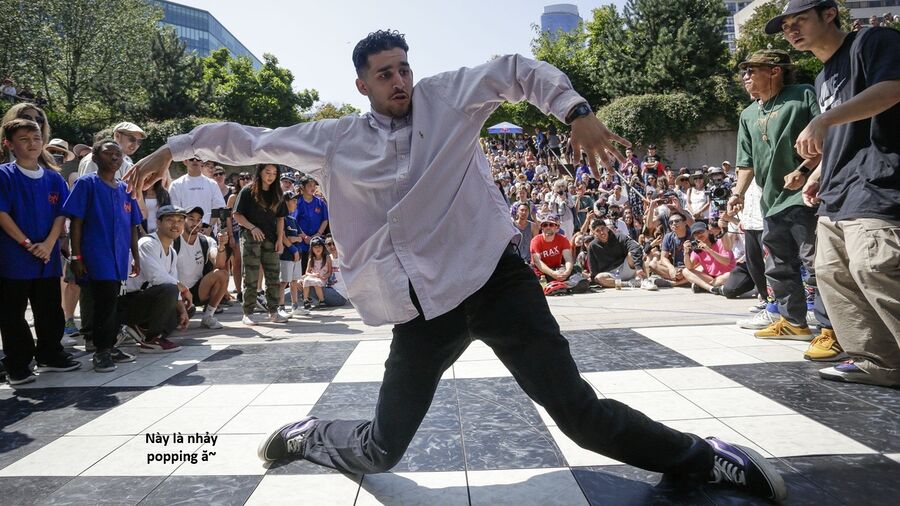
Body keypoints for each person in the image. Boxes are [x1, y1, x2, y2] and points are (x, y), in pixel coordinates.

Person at [127, 30, 786, 502]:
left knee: (578, 414)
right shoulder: (334, 140)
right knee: (382, 449)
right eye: (384, 74)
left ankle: (703, 458)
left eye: (403, 68)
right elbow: (246, 139)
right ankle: (312, 434)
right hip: (423, 309)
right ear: (361, 85)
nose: (399, 81)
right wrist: (172, 148)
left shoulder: (448, 99)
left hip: (497, 281)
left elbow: (516, 69)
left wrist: (577, 112)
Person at [772, 0, 900, 385]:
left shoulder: (872, 42)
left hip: (878, 180)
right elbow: (842, 136)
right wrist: (813, 173)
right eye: (786, 26)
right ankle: (879, 362)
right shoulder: (823, 77)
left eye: (800, 20)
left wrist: (823, 119)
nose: (792, 31)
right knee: (832, 274)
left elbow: (893, 89)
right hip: (836, 189)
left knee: (875, 267)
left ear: (829, 14)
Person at [728, 48, 822, 343]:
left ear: (775, 70)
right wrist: (737, 194)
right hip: (771, 201)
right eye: (744, 72)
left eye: (751, 70)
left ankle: (832, 329)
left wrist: (805, 171)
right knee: (778, 267)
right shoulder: (748, 114)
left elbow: (828, 138)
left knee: (816, 264)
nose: (745, 77)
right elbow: (746, 163)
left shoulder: (803, 94)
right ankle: (793, 323)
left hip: (806, 196)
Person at [0, 119, 80, 385]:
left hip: (47, 256)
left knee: (49, 309)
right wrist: (26, 243)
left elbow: (60, 214)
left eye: (36, 138)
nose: (32, 144)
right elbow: (2, 213)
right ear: (9, 144)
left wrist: (48, 244)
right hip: (14, 256)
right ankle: (17, 364)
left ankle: (50, 354)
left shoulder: (53, 178)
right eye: (23, 139)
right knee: (13, 313)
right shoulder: (4, 176)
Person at [64, 140, 142, 372]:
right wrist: (76, 256)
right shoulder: (86, 184)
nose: (115, 157)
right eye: (108, 153)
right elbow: (77, 221)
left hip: (120, 258)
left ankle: (110, 345)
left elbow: (133, 226)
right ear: (95, 158)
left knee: (115, 302)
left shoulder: (125, 189)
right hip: (96, 255)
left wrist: (136, 257)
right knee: (104, 301)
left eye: (118, 153)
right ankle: (101, 351)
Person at [119, 205, 189, 353]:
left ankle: (141, 329)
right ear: (158, 222)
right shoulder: (147, 243)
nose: (175, 225)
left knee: (185, 309)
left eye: (180, 221)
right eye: (170, 220)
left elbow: (172, 280)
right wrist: (183, 288)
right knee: (169, 289)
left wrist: (183, 310)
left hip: (145, 300)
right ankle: (151, 339)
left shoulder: (172, 252)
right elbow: (156, 277)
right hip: (127, 302)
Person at [232, 164, 288, 325]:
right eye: (267, 172)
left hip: (271, 238)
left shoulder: (277, 193)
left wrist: (280, 240)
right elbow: (237, 215)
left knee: (273, 276)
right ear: (260, 172)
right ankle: (248, 312)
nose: (271, 176)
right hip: (250, 237)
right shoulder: (248, 191)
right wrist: (252, 227)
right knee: (250, 276)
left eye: (274, 173)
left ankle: (273, 311)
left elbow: (281, 218)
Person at [174, 207, 229, 329]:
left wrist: (221, 246)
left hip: (198, 290)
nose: (195, 223)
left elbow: (219, 264)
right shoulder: (173, 240)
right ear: (183, 220)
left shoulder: (206, 241)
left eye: (199, 220)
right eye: (191, 219)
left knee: (222, 274)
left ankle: (208, 316)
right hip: (176, 290)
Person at [586, 218, 656, 290]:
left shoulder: (620, 237)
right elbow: (593, 268)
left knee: (633, 253)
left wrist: (638, 267)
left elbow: (636, 247)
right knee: (598, 278)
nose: (601, 232)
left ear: (607, 229)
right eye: (597, 231)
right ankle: (628, 284)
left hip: (626, 267)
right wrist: (594, 281)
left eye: (602, 229)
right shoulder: (592, 246)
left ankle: (645, 280)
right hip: (610, 274)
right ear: (594, 234)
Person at [168, 156, 227, 232]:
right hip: (184, 231)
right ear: (185, 161)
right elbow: (175, 210)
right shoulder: (176, 184)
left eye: (198, 158)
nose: (195, 160)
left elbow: (219, 207)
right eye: (191, 158)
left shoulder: (212, 184)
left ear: (202, 161)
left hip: (207, 231)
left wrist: (209, 227)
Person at [682, 222, 736, 295]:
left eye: (701, 231)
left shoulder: (720, 242)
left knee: (727, 276)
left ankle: (703, 286)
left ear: (708, 231)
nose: (698, 235)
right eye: (695, 234)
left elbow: (726, 262)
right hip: (711, 278)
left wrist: (709, 250)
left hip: (725, 276)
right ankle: (711, 288)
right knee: (685, 271)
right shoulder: (697, 249)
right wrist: (686, 253)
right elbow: (689, 267)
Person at [78, 122, 144, 179]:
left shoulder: (128, 161)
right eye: (132, 139)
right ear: (117, 136)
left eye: (139, 141)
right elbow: (89, 186)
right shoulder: (97, 159)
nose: (135, 144)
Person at [279, 191, 308, 317]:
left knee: (294, 281)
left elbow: (300, 237)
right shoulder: (281, 218)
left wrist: (295, 240)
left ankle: (295, 306)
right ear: (285, 202)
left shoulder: (293, 219)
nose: (296, 203)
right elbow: (284, 237)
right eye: (293, 200)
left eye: (296, 200)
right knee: (283, 281)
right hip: (286, 255)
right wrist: (293, 249)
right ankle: (280, 307)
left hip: (297, 256)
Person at [648, 211, 691, 287]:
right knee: (652, 264)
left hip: (690, 267)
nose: (673, 224)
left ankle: (676, 283)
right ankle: (686, 280)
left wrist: (685, 269)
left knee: (699, 268)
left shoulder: (692, 235)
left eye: (677, 221)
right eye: (671, 222)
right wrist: (671, 268)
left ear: (685, 223)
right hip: (675, 268)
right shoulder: (668, 236)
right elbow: (663, 257)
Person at [294, 174, 329, 269]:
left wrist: (318, 234)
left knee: (317, 270)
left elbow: (325, 220)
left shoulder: (320, 202)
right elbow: (294, 222)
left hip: (317, 242)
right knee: (302, 269)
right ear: (302, 187)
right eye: (310, 185)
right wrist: (305, 237)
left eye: (314, 185)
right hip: (301, 242)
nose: (313, 188)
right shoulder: (297, 202)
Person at [530, 214, 574, 283]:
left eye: (551, 225)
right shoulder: (535, 240)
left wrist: (567, 272)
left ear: (556, 227)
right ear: (542, 228)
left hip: (556, 268)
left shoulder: (563, 239)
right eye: (545, 225)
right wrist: (553, 273)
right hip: (540, 271)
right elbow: (537, 262)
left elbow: (568, 259)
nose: (548, 227)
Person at [301, 236, 332, 310]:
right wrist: (313, 274)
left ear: (323, 247)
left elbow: (329, 272)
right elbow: (307, 272)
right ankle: (305, 300)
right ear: (312, 249)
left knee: (316, 282)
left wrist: (324, 276)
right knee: (305, 280)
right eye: (315, 247)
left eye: (320, 247)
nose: (318, 249)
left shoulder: (327, 258)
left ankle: (322, 300)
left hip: (322, 278)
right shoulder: (311, 259)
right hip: (313, 277)